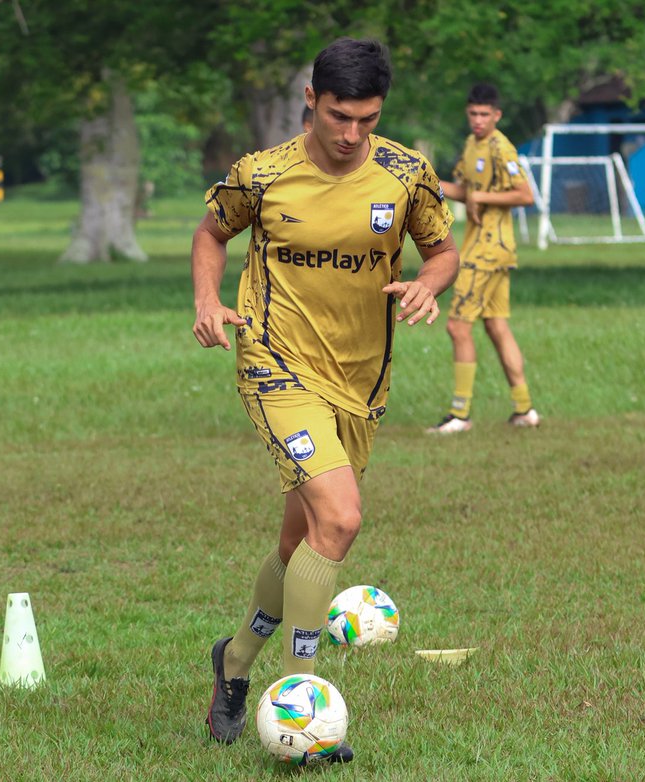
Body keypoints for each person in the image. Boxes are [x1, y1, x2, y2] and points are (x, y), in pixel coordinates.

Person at [192, 38, 459, 756]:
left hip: (360, 380)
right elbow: (212, 232)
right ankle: (300, 706)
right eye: (339, 116)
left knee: (299, 543)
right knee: (339, 520)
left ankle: (234, 662)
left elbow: (442, 251)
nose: (351, 135)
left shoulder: (406, 174)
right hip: (275, 364)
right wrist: (208, 301)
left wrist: (429, 286)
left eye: (367, 120)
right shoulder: (264, 174)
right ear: (310, 99)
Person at [427, 83, 539, 434]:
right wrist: (429, 184)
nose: (478, 120)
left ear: (497, 115)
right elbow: (466, 191)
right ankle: (525, 410)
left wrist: (483, 198)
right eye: (473, 113)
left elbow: (525, 194)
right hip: (488, 249)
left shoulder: (499, 146)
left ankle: (460, 414)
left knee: (457, 326)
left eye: (484, 114)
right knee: (496, 326)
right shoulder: (472, 144)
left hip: (488, 251)